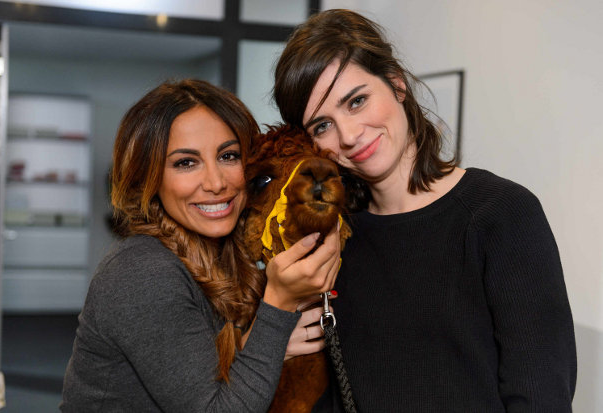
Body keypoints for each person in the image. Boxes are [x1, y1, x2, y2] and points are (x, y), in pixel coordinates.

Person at [273, 9, 577, 412]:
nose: (348, 136)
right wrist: (281, 346)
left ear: (397, 84)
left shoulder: (501, 214)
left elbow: (541, 397)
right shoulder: (334, 238)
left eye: (357, 101)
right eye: (322, 126)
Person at [60, 79, 341, 412]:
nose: (216, 183)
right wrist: (279, 305)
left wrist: (266, 342)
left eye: (228, 155)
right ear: (148, 178)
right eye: (186, 163)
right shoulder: (142, 272)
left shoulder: (228, 254)